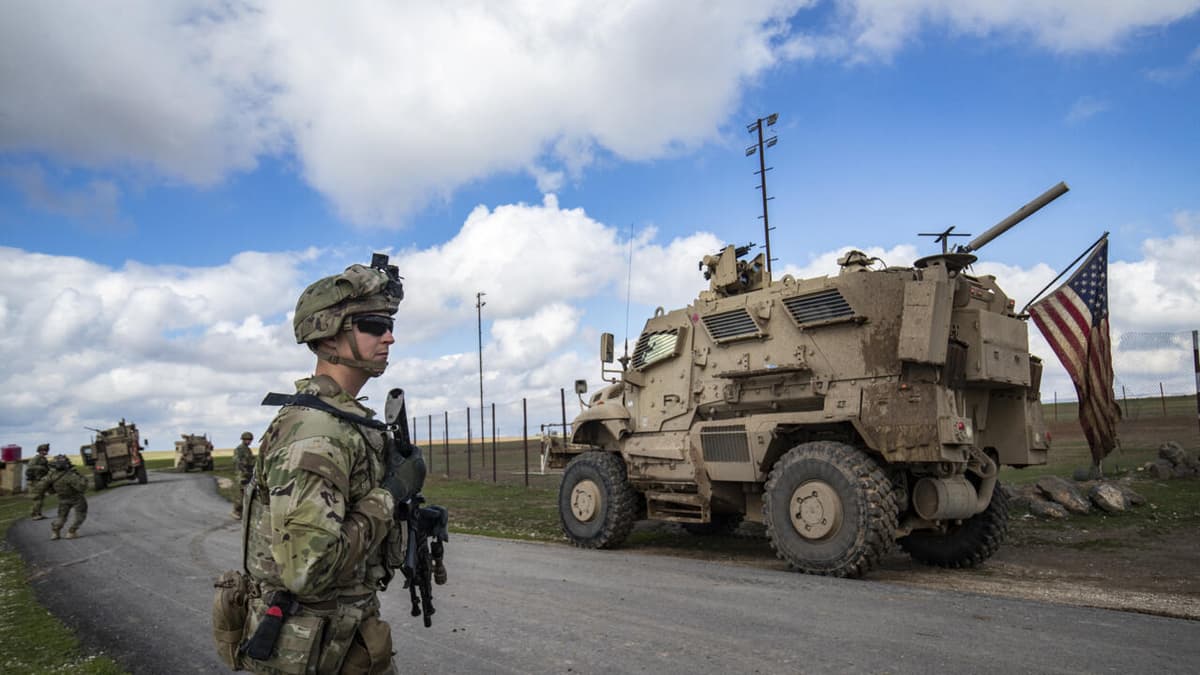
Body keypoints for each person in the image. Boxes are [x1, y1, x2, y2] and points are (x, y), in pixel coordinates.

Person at [240, 255, 409, 674]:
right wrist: (390, 495)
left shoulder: (345, 420)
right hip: (307, 650)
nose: (388, 337)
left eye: (390, 326)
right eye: (372, 326)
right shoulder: (316, 431)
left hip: (341, 638)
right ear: (328, 336)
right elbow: (308, 570)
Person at [45, 454, 88, 540]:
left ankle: (55, 532)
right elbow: (82, 487)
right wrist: (82, 478)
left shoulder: (52, 476)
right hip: (76, 498)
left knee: (61, 517)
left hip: (62, 498)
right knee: (80, 515)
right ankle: (71, 532)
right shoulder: (70, 475)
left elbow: (49, 489)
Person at [231, 432, 255, 519]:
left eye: (250, 440)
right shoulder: (239, 449)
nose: (249, 441)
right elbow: (237, 461)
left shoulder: (247, 449)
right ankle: (236, 512)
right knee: (240, 495)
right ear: (243, 440)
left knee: (247, 494)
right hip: (241, 475)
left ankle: (245, 512)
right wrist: (243, 471)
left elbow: (250, 461)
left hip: (248, 474)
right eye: (247, 440)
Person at [26, 443, 51, 519]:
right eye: (44, 450)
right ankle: (35, 515)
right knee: (38, 498)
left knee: (41, 498)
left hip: (40, 481)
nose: (46, 451)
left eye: (46, 450)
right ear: (40, 451)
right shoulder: (36, 459)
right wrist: (40, 468)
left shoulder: (43, 459)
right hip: (35, 481)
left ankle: (38, 514)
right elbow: (30, 468)